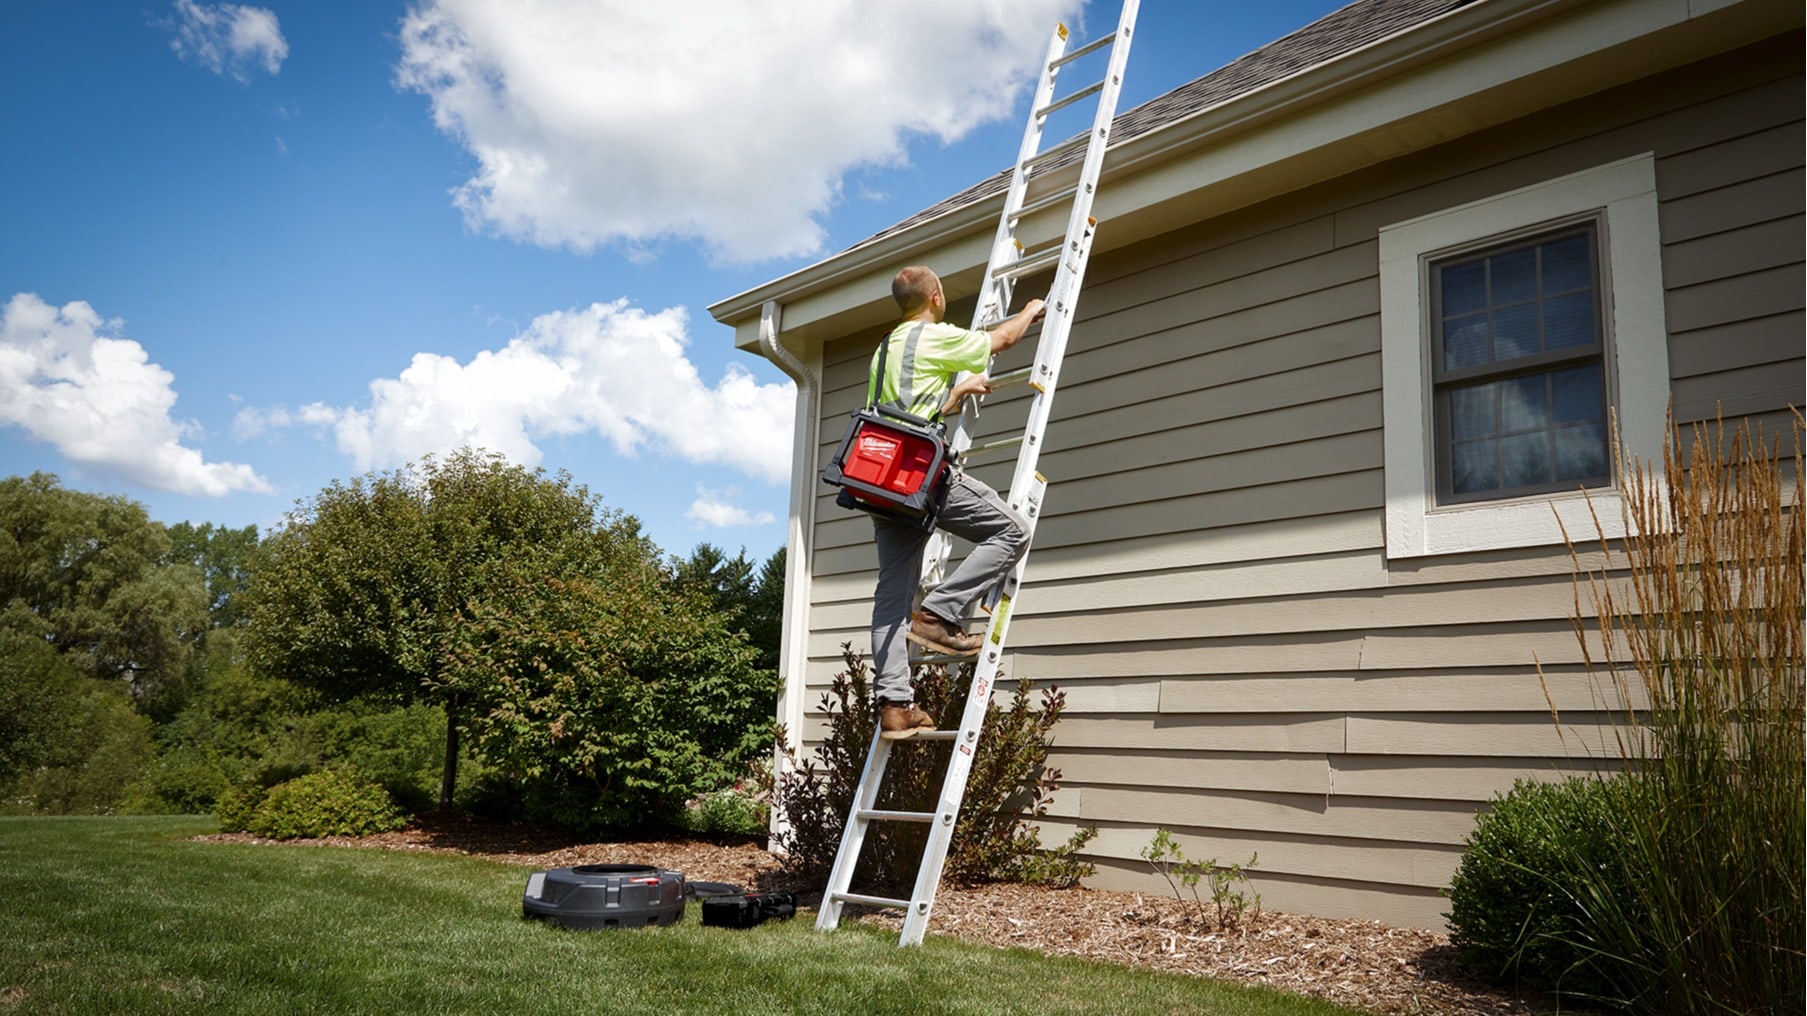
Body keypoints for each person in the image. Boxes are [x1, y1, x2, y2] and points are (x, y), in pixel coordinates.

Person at [867, 265, 1046, 739]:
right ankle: (940, 613)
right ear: (937, 296)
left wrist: (953, 393)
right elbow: (1001, 340)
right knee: (1012, 530)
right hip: (919, 478)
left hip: (879, 480)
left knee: (891, 596)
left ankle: (895, 706)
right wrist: (1030, 309)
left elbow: (901, 413)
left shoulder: (885, 348)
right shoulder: (933, 336)